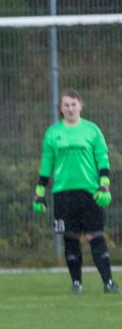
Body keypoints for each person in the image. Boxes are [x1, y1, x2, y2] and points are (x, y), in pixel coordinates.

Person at [33, 90, 117, 294]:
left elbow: (103, 159)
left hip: (89, 192)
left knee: (95, 236)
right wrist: (39, 191)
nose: (70, 108)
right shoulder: (53, 133)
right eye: (66, 105)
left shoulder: (92, 130)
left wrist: (104, 184)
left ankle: (108, 282)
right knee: (70, 238)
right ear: (61, 109)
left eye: (73, 104)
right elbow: (47, 163)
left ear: (81, 105)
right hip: (63, 193)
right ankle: (76, 283)